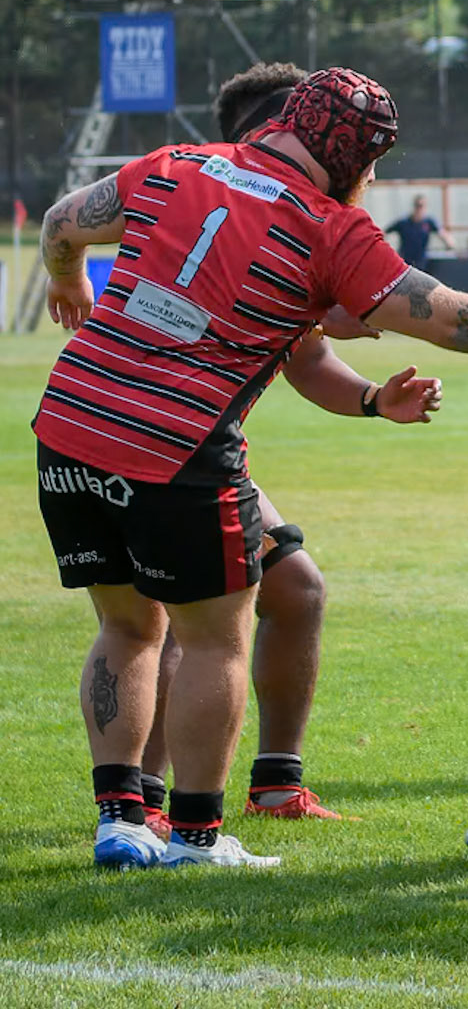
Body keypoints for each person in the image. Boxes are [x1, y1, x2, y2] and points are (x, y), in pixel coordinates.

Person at [33, 65, 468, 871]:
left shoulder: (176, 163)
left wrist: (66, 279)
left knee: (127, 627)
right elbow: (455, 319)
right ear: (358, 160)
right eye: (374, 166)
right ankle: (195, 837)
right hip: (177, 445)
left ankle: (121, 823)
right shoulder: (329, 228)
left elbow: (63, 221)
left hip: (70, 423)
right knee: (214, 641)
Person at [140, 62, 385, 828]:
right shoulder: (209, 200)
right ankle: (142, 803)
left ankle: (276, 783)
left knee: (296, 590)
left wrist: (375, 396)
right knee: (185, 620)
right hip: (151, 443)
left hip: (207, 449)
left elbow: (311, 354)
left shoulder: (277, 213)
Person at [386, 193, 452, 270]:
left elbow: (442, 234)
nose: (419, 209)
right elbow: (385, 232)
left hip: (421, 261)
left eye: (421, 206)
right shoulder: (403, 222)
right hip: (405, 261)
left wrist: (450, 245)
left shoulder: (429, 222)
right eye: (417, 206)